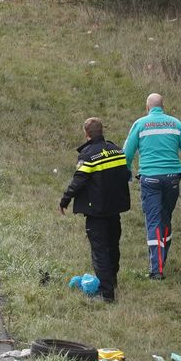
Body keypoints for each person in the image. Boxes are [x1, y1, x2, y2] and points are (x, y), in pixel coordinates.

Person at [123, 93, 181, 279]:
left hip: (150, 180)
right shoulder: (175, 124)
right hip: (173, 179)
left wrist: (126, 173)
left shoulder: (140, 124)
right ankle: (161, 259)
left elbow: (127, 152)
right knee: (165, 218)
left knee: (154, 221)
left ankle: (156, 270)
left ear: (147, 107)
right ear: (163, 106)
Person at [57, 117, 131, 303]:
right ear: (102, 131)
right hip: (115, 209)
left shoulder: (88, 155)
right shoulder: (117, 151)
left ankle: (106, 294)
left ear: (86, 134)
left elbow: (78, 181)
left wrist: (65, 200)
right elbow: (124, 175)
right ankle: (112, 282)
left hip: (97, 211)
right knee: (113, 246)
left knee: (99, 251)